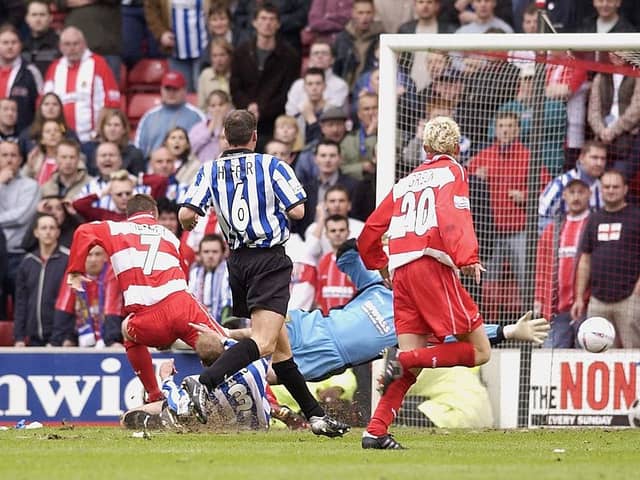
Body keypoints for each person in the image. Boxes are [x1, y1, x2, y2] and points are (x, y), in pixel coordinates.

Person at [178, 109, 350, 437]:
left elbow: (187, 214)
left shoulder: (210, 170)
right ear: (255, 136)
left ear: (225, 138)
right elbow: (298, 210)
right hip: (269, 258)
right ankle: (204, 383)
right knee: (264, 341)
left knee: (281, 350)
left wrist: (191, 221)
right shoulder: (272, 165)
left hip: (238, 263)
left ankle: (316, 416)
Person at [356, 116, 491, 449]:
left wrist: (380, 264)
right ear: (457, 147)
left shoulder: (406, 181)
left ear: (426, 148)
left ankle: (375, 430)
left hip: (401, 272)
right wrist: (467, 256)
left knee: (413, 361)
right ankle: (402, 360)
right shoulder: (453, 171)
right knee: (479, 351)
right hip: (430, 266)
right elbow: (451, 211)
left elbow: (370, 230)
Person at [66, 193, 223, 403]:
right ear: (155, 214)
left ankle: (154, 394)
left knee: (127, 331)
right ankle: (266, 403)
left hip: (147, 319)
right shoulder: (170, 237)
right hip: (181, 306)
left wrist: (75, 270)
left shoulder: (115, 228)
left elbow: (83, 230)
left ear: (128, 214)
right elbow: (182, 271)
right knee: (223, 346)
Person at [571, 169, 640, 348]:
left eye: (615, 186)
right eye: (606, 186)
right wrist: (579, 297)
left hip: (629, 298)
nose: (610, 190)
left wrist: (638, 290)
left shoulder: (636, 217)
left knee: (633, 351)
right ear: (600, 190)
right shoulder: (594, 219)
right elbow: (585, 260)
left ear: (625, 189)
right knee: (599, 353)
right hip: (598, 299)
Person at [229, 3, 300, 148]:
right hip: (245, 117)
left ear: (278, 24)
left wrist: (261, 110)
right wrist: (248, 106)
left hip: (275, 120)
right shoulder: (241, 52)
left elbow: (288, 91)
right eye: (263, 18)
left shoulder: (290, 56)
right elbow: (235, 87)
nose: (267, 23)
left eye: (272, 19)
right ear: (254, 22)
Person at [535, 178, 591, 348]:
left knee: (587, 355)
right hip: (557, 308)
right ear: (564, 195)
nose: (576, 197)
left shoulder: (592, 224)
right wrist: (539, 298)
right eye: (572, 192)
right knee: (552, 354)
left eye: (580, 192)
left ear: (589, 195)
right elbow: (541, 267)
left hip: (587, 307)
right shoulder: (553, 229)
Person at [42, 27, 120, 142]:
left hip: (92, 139)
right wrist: (61, 133)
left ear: (84, 44)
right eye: (67, 44)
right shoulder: (55, 67)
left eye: (75, 44)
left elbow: (111, 102)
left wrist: (97, 133)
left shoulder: (99, 64)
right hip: (62, 139)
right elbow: (44, 104)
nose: (71, 48)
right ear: (60, 47)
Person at [13, 213, 69, 346]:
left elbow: (74, 302)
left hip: (62, 340)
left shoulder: (68, 260)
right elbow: (21, 302)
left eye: (52, 228)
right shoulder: (27, 262)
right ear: (36, 232)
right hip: (33, 339)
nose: (48, 232)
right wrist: (19, 337)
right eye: (44, 228)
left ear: (58, 232)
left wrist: (70, 335)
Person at [52, 245, 124, 347]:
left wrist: (112, 341)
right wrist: (58, 341)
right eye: (89, 255)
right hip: (80, 338)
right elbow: (64, 311)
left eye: (98, 254)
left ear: (105, 257)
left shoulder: (112, 273)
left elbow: (112, 310)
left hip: (110, 337)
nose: (93, 259)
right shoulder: (73, 275)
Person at [0, 140, 40, 308]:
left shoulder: (31, 185)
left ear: (20, 160)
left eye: (13, 155)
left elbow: (21, 217)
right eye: (4, 155)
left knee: (22, 308)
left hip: (20, 255)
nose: (9, 160)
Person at [538, 140, 607, 232]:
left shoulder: (603, 188)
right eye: (594, 158)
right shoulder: (560, 183)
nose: (599, 163)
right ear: (582, 158)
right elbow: (543, 219)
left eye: (603, 159)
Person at [134, 71, 206, 157]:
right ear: (161, 90)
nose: (171, 93)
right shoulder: (149, 116)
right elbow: (139, 149)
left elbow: (204, 149)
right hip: (152, 167)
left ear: (184, 90)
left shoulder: (197, 116)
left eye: (175, 89)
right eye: (168, 89)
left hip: (186, 167)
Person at [0, 24, 42, 133]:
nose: (10, 46)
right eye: (5, 43)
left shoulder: (31, 71)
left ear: (20, 45)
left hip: (22, 134)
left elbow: (41, 105)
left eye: (14, 42)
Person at [187, 234, 232, 326]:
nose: (210, 256)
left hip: (226, 326)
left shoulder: (230, 272)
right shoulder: (194, 273)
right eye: (206, 252)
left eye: (215, 252)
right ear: (199, 254)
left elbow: (229, 305)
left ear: (223, 253)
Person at [189, 89, 233, 164]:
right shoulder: (199, 127)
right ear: (208, 108)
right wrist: (210, 130)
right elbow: (191, 148)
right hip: (204, 168)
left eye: (221, 104)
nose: (217, 109)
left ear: (228, 106)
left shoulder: (234, 126)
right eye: (213, 106)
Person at [22, 0, 61, 77]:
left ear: (50, 18)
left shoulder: (60, 44)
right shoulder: (21, 46)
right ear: (27, 19)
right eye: (34, 15)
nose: (38, 19)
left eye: (42, 15)